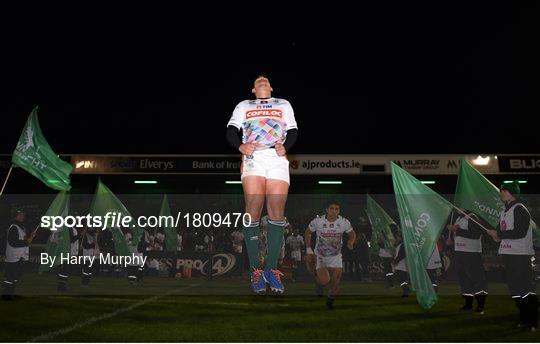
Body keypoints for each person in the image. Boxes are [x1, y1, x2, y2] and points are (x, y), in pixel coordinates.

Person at [226, 75, 298, 293]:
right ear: (253, 89)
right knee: (253, 211)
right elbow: (231, 130)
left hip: (277, 159)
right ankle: (256, 271)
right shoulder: (244, 105)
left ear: (271, 87)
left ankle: (272, 270)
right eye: (258, 81)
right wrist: (240, 147)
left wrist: (287, 147)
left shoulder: (283, 104)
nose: (262, 81)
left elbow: (293, 131)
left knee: (276, 212)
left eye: (266, 80)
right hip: (254, 157)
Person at [486, 182, 538, 332]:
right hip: (509, 254)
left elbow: (520, 232)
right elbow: (500, 231)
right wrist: (495, 236)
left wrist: (499, 234)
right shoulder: (504, 211)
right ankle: (523, 319)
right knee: (515, 289)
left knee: (526, 288)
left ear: (512, 193)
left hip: (520, 255)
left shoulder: (520, 209)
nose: (501, 192)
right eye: (501, 190)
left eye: (504, 190)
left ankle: (532, 321)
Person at [305, 201, 356, 309]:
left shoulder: (343, 222)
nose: (334, 211)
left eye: (337, 209)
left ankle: (329, 302)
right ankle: (318, 282)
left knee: (335, 283)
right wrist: (309, 250)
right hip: (321, 256)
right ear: (327, 210)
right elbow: (308, 232)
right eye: (332, 208)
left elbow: (352, 234)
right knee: (324, 281)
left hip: (336, 256)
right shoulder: (318, 221)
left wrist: (351, 241)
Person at [446, 208, 488, 313]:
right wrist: (451, 240)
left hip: (471, 253)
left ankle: (480, 305)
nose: (457, 209)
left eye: (459, 206)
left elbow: (476, 234)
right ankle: (468, 304)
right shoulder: (458, 219)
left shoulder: (472, 217)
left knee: (477, 279)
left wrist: (457, 230)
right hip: (460, 253)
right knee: (464, 280)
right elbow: (460, 236)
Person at [2, 210, 34, 300]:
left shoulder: (21, 227)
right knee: (10, 277)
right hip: (14, 257)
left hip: (19, 257)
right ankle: (6, 294)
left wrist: (31, 237)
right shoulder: (13, 227)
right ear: (15, 216)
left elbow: (23, 240)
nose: (22, 217)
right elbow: (13, 242)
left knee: (15, 277)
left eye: (23, 215)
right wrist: (27, 241)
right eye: (20, 215)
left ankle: (10, 293)